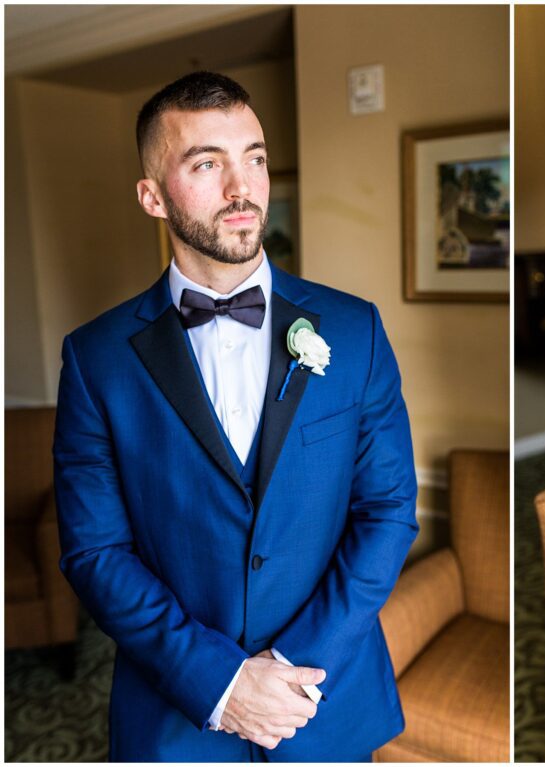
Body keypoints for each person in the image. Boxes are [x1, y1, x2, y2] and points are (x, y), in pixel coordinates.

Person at [53, 71, 418, 761]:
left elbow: (390, 509)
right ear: (151, 195)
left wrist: (289, 670)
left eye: (253, 156)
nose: (241, 187)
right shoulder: (96, 359)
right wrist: (222, 683)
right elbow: (96, 552)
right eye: (206, 163)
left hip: (324, 700)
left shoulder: (355, 328)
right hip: (178, 714)